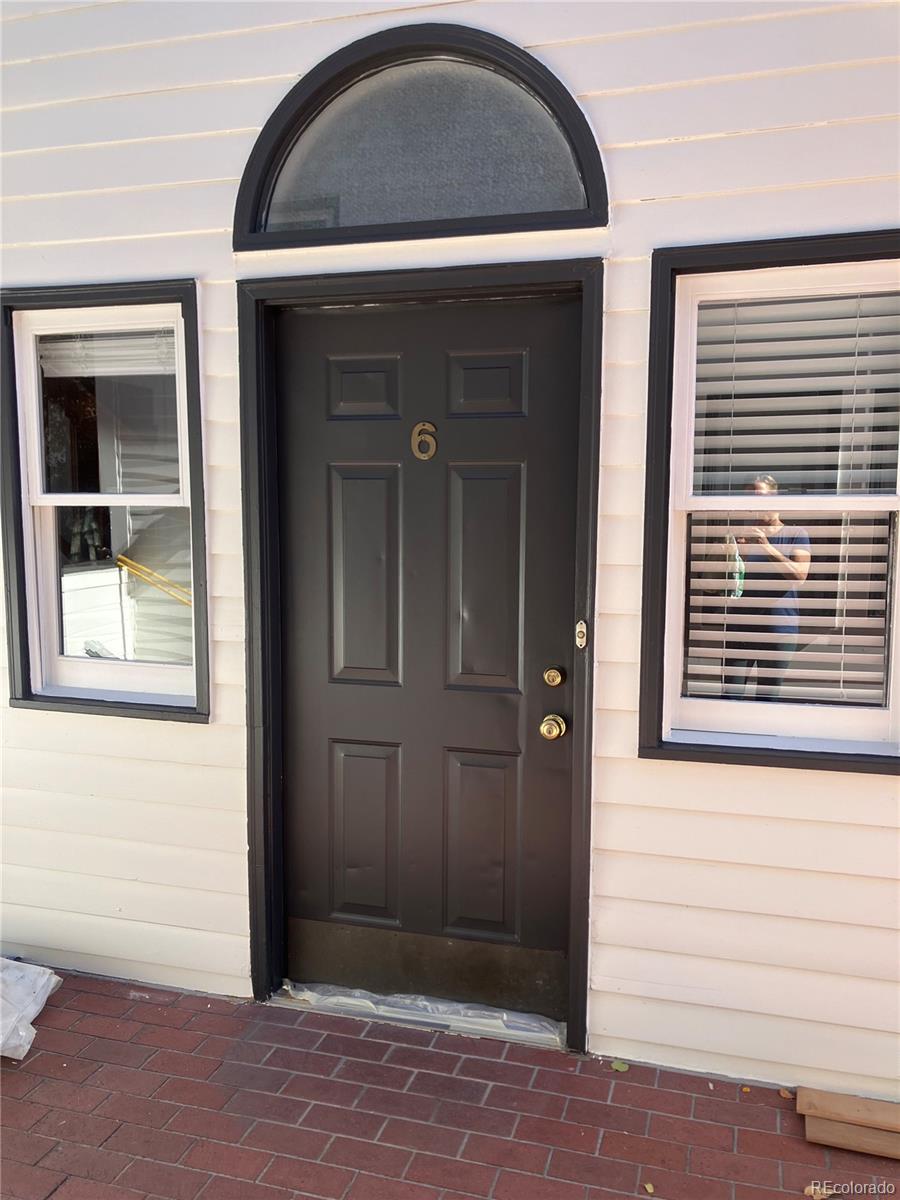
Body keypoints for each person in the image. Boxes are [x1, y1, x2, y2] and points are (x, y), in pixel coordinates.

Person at [724, 474, 811, 701]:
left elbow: (799, 575)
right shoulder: (741, 535)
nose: (756, 503)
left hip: (778, 629)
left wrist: (765, 546)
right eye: (750, 498)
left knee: (767, 700)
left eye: (761, 496)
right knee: (730, 697)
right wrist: (728, 549)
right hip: (740, 628)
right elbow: (716, 581)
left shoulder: (795, 534)